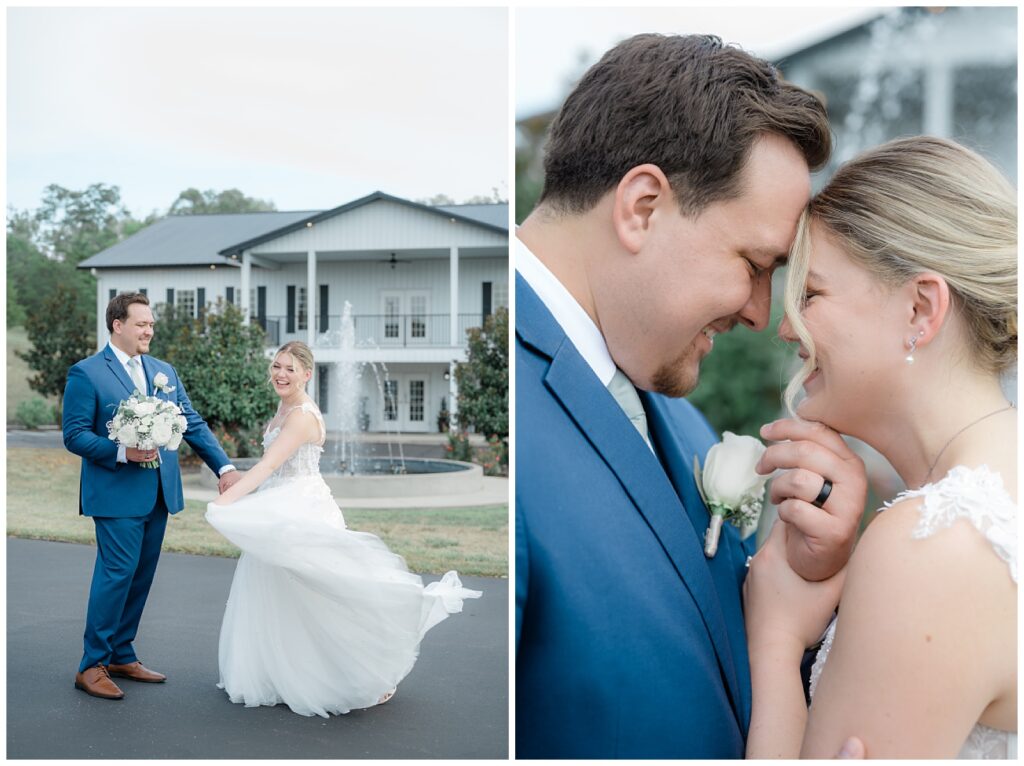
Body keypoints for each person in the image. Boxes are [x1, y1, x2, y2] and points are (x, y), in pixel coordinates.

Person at [515, 33, 868, 758]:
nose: (761, 313)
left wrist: (796, 583)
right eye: (754, 263)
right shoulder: (505, 401)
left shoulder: (682, 421)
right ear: (642, 206)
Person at [745, 136, 1017, 758]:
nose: (786, 326)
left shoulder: (934, 546)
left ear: (921, 308)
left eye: (810, 294)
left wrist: (777, 637)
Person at [205, 341, 482, 718]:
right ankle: (280, 672)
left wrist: (225, 502)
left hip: (303, 508)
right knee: (281, 590)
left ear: (306, 374)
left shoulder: (302, 415)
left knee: (326, 590)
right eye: (276, 366)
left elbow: (268, 466)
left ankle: (364, 672)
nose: (280, 374)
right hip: (280, 506)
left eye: (289, 368)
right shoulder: (284, 406)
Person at [64, 292, 241, 700]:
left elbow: (189, 421)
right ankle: (91, 665)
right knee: (116, 575)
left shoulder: (164, 371)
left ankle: (122, 653)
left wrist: (225, 467)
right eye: (142, 324)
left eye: (151, 324)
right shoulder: (86, 373)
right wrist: (122, 452)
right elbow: (74, 435)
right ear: (117, 325)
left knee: (140, 577)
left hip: (159, 492)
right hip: (114, 494)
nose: (149, 331)